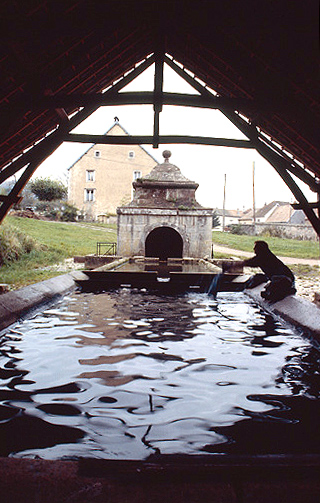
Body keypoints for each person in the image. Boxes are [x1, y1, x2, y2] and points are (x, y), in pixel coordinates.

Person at [225, 240, 296, 302]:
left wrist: (230, 266)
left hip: (284, 279)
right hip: (284, 278)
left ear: (260, 249)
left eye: (255, 247)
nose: (254, 249)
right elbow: (248, 262)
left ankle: (286, 290)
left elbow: (246, 263)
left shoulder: (263, 257)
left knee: (271, 294)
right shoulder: (266, 256)